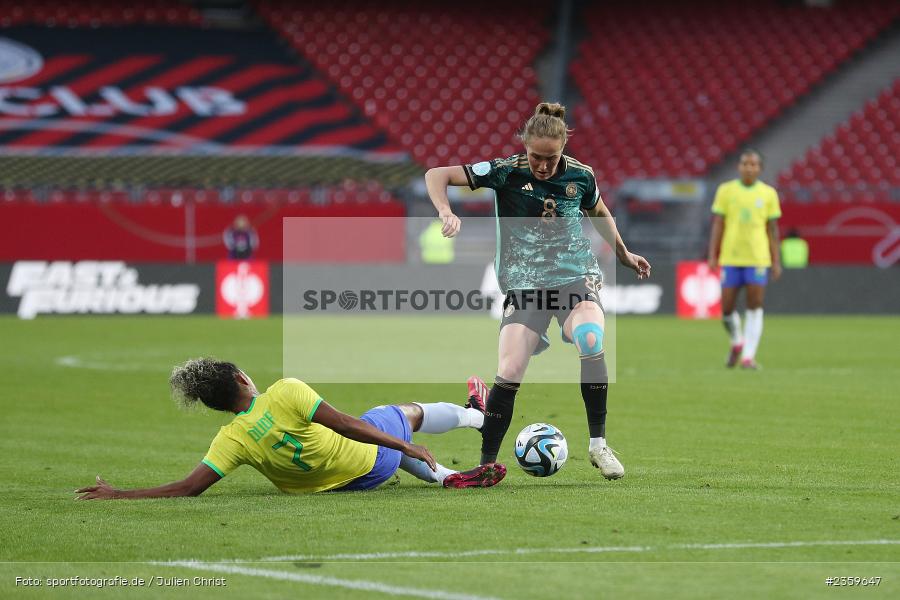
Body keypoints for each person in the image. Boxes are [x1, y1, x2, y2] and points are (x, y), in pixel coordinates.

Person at [423, 102, 651, 480]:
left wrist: (623, 253)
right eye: (535, 157)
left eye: (551, 158)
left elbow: (598, 211)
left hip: (575, 276)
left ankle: (599, 445)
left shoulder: (581, 175)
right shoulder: (505, 171)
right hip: (526, 283)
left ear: (562, 149)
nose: (543, 165)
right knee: (510, 369)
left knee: (590, 338)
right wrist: (446, 211)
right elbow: (436, 174)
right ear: (524, 147)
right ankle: (485, 465)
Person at [75, 358, 505, 500]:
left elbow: (188, 488)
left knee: (376, 443)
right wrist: (404, 446)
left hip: (341, 486)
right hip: (369, 460)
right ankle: (478, 416)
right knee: (399, 413)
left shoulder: (231, 439)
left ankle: (448, 477)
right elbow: (348, 426)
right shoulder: (285, 392)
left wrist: (119, 494)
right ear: (244, 380)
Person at [707, 149, 782, 370]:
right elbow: (718, 224)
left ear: (760, 169)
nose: (749, 168)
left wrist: (776, 260)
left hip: (758, 258)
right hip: (731, 257)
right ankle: (737, 341)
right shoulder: (726, 191)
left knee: (754, 305)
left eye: (753, 164)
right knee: (726, 310)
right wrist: (713, 254)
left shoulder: (768, 194)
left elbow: (773, 229)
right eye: (745, 164)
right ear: (739, 167)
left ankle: (748, 357)